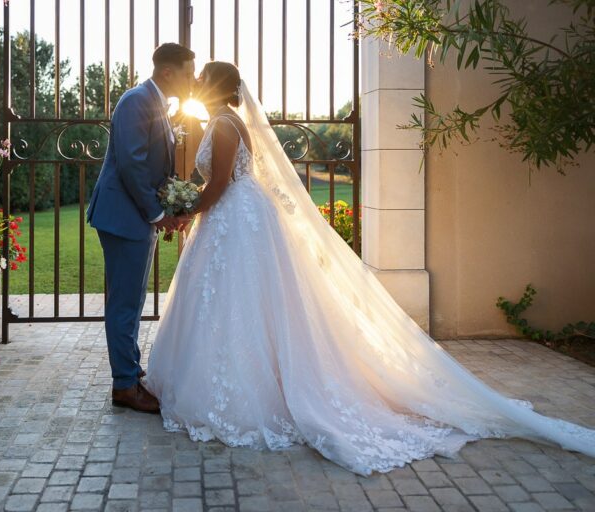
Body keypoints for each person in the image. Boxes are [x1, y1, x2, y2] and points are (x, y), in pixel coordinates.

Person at [143, 61, 595, 475]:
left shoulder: (225, 125)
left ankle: (245, 392)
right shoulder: (223, 121)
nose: (196, 81)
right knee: (232, 302)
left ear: (216, 86)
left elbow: (219, 185)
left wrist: (186, 210)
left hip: (236, 216)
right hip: (235, 217)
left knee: (235, 300)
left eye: (202, 77)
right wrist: (192, 205)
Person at [87, 43, 195, 413]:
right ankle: (124, 386)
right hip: (123, 217)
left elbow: (154, 168)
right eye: (188, 73)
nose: (192, 81)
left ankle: (130, 372)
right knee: (124, 303)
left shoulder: (156, 104)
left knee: (131, 301)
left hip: (133, 216)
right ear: (167, 72)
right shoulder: (136, 101)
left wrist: (171, 206)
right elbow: (132, 165)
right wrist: (157, 214)